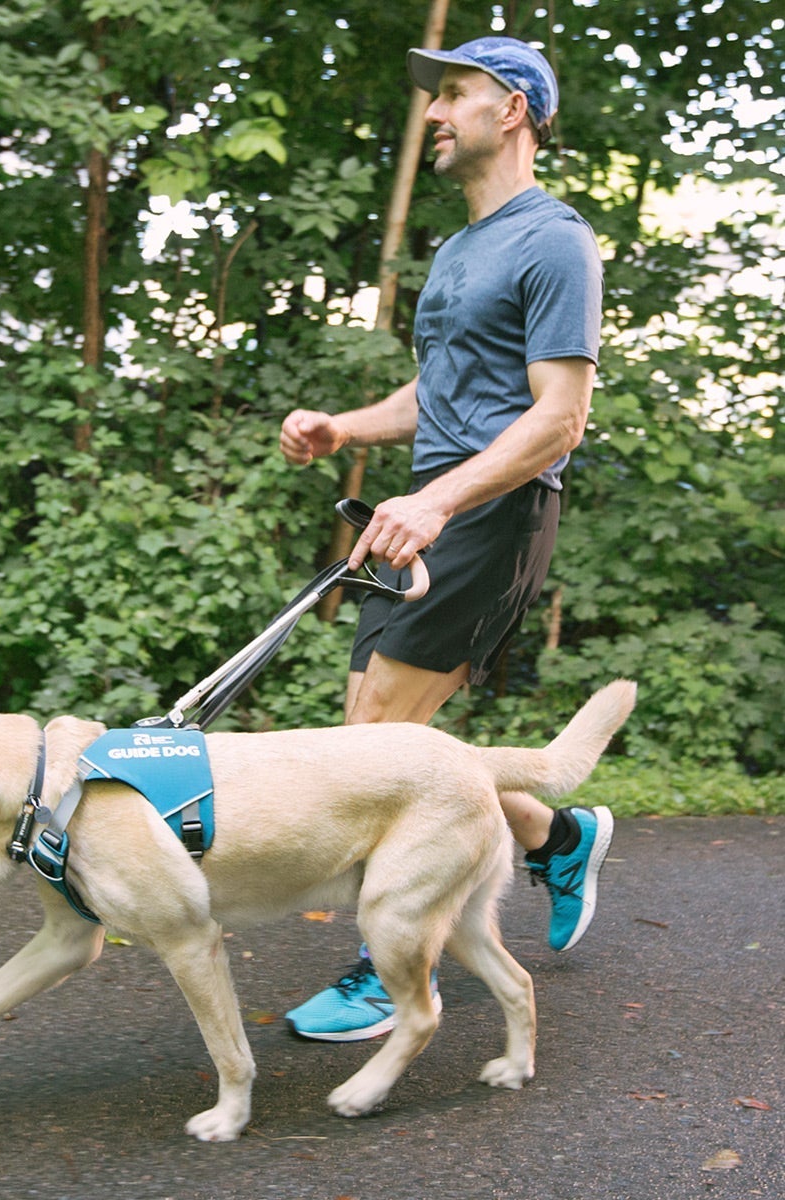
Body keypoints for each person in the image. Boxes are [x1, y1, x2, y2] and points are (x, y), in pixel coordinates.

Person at [275, 36, 614, 1042]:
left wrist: (442, 504)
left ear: (510, 110)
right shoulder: (465, 248)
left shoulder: (555, 240)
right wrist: (345, 428)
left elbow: (559, 417)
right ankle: (556, 837)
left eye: (452, 95)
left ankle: (392, 964)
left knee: (379, 751)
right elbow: (439, 396)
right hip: (434, 507)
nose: (432, 114)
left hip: (491, 512)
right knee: (386, 740)